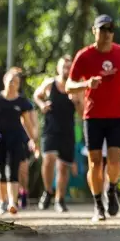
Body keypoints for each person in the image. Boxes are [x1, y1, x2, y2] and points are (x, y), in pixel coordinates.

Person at [67, 15, 120, 223]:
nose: (107, 33)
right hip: (93, 117)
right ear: (94, 31)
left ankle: (112, 189)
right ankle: (98, 204)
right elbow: (69, 86)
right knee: (95, 162)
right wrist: (86, 84)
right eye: (103, 29)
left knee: (114, 161)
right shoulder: (84, 56)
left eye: (110, 29)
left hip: (117, 116)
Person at [0, 68, 38, 215]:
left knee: (13, 171)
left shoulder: (21, 101)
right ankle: (2, 201)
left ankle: (13, 202)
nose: (13, 84)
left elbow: (27, 122)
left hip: (16, 139)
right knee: (1, 172)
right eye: (10, 81)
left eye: (16, 82)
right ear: (4, 80)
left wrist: (33, 140)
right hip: (0, 138)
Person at [34, 55, 82, 213]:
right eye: (64, 66)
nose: (66, 70)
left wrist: (76, 102)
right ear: (58, 68)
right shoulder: (50, 83)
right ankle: (48, 191)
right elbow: (36, 95)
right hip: (50, 129)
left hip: (67, 131)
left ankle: (59, 200)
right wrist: (42, 104)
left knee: (63, 167)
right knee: (48, 160)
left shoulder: (76, 87)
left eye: (69, 67)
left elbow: (82, 113)